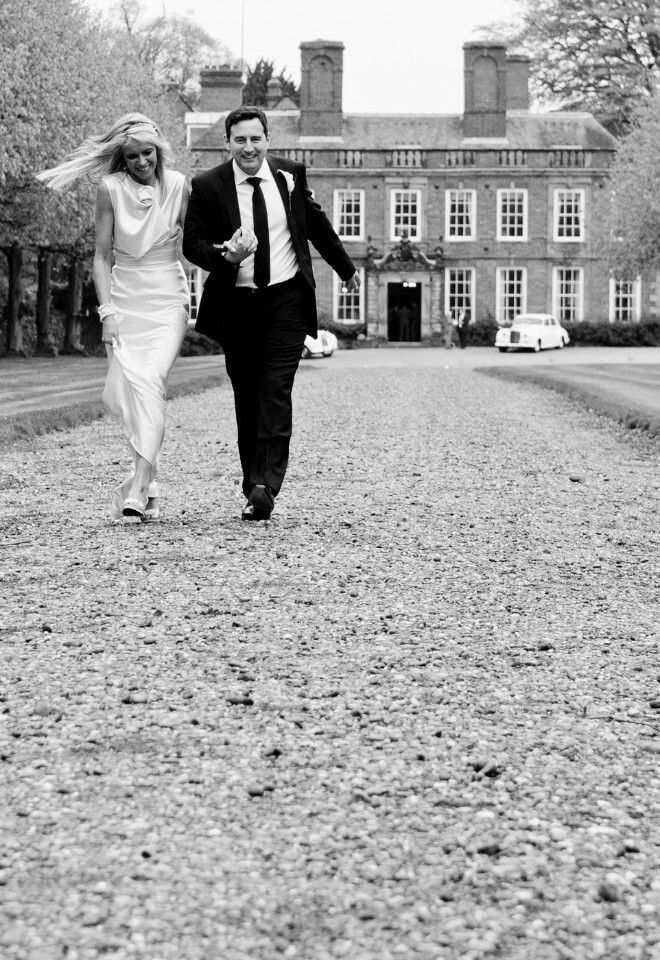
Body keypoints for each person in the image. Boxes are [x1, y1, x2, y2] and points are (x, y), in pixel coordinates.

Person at [183, 105, 359, 522]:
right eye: (240, 139)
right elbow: (192, 244)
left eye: (256, 138)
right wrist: (224, 254)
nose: (249, 147)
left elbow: (316, 226)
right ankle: (252, 483)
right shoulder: (208, 186)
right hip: (238, 305)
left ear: (268, 140)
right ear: (229, 143)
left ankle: (266, 486)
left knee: (275, 392)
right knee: (247, 398)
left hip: (286, 303)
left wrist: (346, 269)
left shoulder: (290, 175)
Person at [37, 114, 190, 522]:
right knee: (133, 392)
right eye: (132, 156)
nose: (141, 162)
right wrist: (107, 313)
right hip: (125, 299)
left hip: (169, 298)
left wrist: (229, 251)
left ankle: (137, 487)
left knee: (151, 380)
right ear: (121, 158)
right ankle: (150, 486)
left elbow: (191, 248)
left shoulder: (179, 185)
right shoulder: (110, 189)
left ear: (159, 150)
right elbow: (102, 258)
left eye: (148, 153)